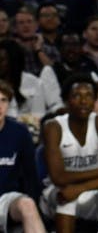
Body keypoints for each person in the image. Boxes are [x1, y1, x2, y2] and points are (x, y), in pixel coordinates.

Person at [41, 74, 98, 232]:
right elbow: (59, 178)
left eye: (89, 96)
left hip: (90, 191)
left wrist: (80, 188)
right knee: (66, 199)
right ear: (67, 100)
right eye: (77, 96)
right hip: (57, 194)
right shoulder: (53, 127)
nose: (83, 101)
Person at [0, 77, 45, 233]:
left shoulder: (19, 132)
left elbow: (30, 175)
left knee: (27, 204)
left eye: (3, 100)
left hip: (6, 200)